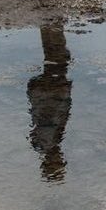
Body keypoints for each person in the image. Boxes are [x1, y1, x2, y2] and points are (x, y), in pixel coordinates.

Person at [26, 22, 74, 182]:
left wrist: (61, 93)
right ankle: (50, 26)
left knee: (57, 58)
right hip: (52, 91)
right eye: (61, 162)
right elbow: (51, 115)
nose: (61, 158)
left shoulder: (46, 142)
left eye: (58, 162)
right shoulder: (48, 143)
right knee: (57, 57)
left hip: (51, 91)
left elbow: (47, 114)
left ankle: (50, 26)